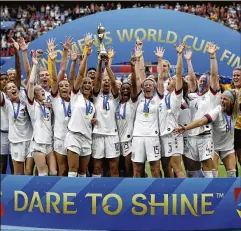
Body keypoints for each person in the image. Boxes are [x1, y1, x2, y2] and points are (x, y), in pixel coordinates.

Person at [174, 89, 240, 177]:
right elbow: (201, 121)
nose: (221, 101)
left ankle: (232, 191)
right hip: (214, 147)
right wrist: (185, 128)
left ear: (232, 102)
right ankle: (215, 190)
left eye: (225, 99)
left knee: (232, 174)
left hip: (228, 148)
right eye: (221, 98)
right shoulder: (217, 111)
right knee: (212, 173)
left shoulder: (237, 110)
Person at [65, 34, 95, 177]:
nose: (87, 84)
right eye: (85, 83)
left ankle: (82, 198)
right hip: (74, 136)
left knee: (83, 171)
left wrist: (93, 121)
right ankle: (72, 197)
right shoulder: (75, 96)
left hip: (87, 138)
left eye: (90, 83)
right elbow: (81, 74)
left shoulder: (91, 104)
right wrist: (86, 53)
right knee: (73, 170)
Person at [156, 42, 186, 178]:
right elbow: (161, 76)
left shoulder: (177, 95)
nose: (170, 81)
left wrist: (179, 55)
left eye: (172, 80)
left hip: (173, 133)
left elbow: (178, 73)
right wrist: (160, 60)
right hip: (162, 134)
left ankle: (185, 194)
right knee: (167, 168)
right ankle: (170, 194)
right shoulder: (164, 96)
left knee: (176, 167)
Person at [27, 51, 57, 176]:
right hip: (38, 143)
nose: (42, 90)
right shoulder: (32, 105)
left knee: (54, 173)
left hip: (49, 143)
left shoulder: (48, 103)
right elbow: (31, 83)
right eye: (38, 90)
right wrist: (34, 64)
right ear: (34, 94)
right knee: (43, 172)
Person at [92, 54, 120, 177]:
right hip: (98, 134)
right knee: (97, 167)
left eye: (108, 81)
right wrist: (99, 63)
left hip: (112, 135)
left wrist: (107, 65)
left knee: (114, 168)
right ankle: (95, 192)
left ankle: (116, 192)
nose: (107, 82)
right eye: (104, 80)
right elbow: (98, 79)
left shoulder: (115, 96)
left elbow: (114, 82)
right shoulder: (96, 95)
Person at [0, 81, 33, 175]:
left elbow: (31, 83)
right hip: (16, 142)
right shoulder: (6, 104)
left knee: (28, 171)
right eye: (9, 88)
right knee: (18, 173)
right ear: (6, 94)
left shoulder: (26, 103)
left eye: (14, 87)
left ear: (18, 90)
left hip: (30, 141)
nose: (13, 89)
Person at [116, 56, 138, 177]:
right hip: (116, 139)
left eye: (127, 89)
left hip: (129, 140)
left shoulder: (133, 102)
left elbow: (134, 83)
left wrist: (133, 67)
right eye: (123, 88)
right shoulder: (117, 104)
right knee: (119, 169)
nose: (125, 90)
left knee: (128, 168)